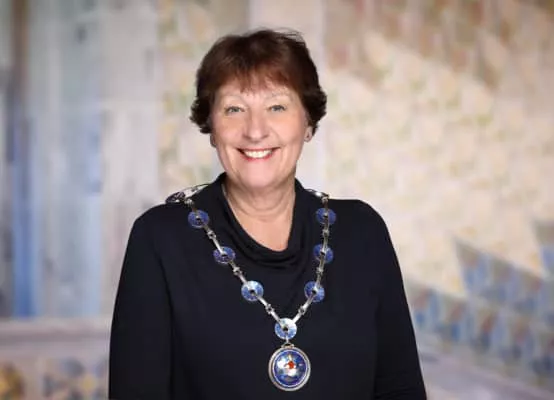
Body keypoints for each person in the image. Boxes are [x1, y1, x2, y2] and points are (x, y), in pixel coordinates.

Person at [109, 28, 427, 399]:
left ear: (308, 123)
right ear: (211, 127)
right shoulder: (160, 238)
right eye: (234, 109)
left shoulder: (362, 233)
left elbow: (401, 390)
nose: (255, 131)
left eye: (277, 107)